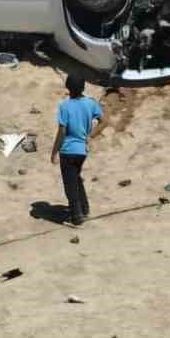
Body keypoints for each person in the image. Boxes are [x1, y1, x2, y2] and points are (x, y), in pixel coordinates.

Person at [50, 73, 105, 227]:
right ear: (83, 87)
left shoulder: (64, 106)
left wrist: (54, 151)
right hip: (82, 150)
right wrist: (90, 135)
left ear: (68, 87)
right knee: (76, 178)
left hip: (68, 150)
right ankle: (84, 208)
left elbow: (61, 132)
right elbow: (103, 121)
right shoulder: (90, 103)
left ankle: (76, 216)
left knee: (70, 183)